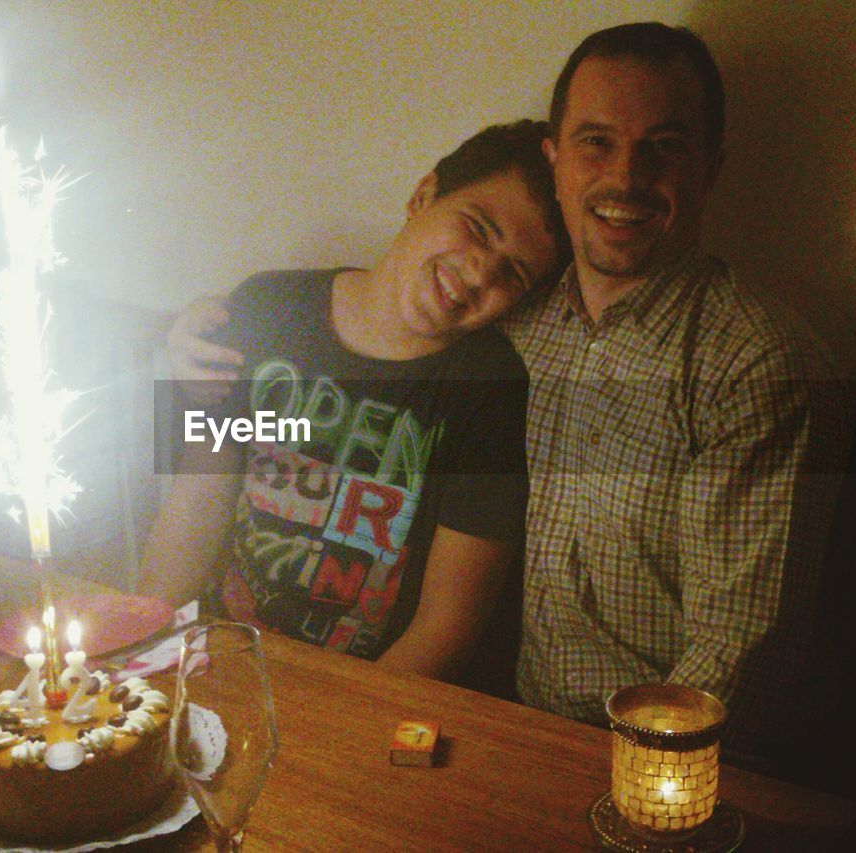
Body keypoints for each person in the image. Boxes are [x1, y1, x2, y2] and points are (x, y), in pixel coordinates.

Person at [167, 23, 853, 763]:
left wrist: (633, 791)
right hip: (489, 725)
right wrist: (184, 358)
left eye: (665, 147)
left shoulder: (754, 364)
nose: (625, 177)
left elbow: (737, 656)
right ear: (557, 163)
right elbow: (217, 463)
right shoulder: (508, 320)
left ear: (710, 169)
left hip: (644, 767)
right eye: (596, 141)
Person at [139, 120, 568, 680]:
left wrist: (349, 720)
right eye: (478, 228)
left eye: (512, 272)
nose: (481, 272)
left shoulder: (489, 384)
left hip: (373, 690)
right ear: (422, 196)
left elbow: (450, 623)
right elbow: (198, 502)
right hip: (225, 658)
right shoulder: (268, 311)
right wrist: (137, 650)